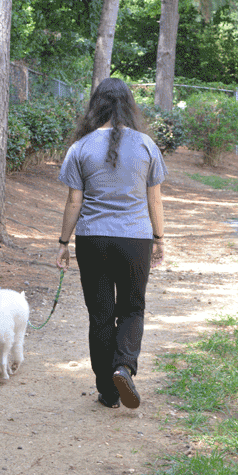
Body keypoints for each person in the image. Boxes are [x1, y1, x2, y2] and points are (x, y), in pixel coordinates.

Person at [55, 78, 167, 410]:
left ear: (97, 105)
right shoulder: (146, 145)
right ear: (129, 106)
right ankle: (124, 366)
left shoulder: (80, 147)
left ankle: (108, 391)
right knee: (132, 308)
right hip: (135, 239)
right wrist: (159, 239)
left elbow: (74, 202)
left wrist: (63, 242)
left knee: (100, 315)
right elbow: (155, 201)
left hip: (93, 240)